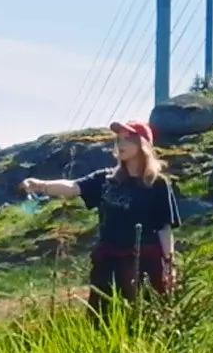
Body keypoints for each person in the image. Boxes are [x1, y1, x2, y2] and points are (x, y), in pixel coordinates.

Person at [20, 119, 181, 315]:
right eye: (118, 140)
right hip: (108, 261)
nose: (120, 144)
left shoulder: (157, 184)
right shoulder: (106, 179)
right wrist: (40, 185)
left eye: (127, 139)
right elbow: (73, 187)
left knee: (143, 316)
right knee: (100, 316)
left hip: (144, 263)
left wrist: (169, 264)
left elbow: (164, 228)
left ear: (143, 145)